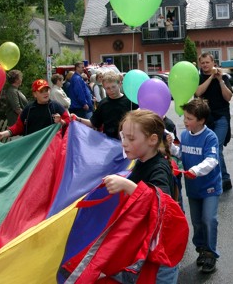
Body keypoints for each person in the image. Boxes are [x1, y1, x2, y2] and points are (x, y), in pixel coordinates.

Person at [103, 109, 181, 284]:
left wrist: (127, 185)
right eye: (123, 137)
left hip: (162, 249)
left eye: (131, 139)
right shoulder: (142, 160)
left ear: (152, 140)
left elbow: (162, 203)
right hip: (147, 245)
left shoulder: (158, 167)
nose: (124, 143)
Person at [177, 98, 222, 274]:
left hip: (209, 187)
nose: (185, 121)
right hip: (193, 188)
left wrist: (195, 170)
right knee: (196, 222)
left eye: (189, 118)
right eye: (185, 117)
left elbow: (212, 160)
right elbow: (181, 154)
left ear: (201, 120)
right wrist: (171, 150)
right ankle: (202, 250)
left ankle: (211, 253)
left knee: (209, 219)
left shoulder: (210, 137)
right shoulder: (185, 135)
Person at [195, 52, 233, 191]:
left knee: (216, 146)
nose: (205, 65)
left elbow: (228, 97)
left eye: (207, 62)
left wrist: (220, 80)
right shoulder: (198, 78)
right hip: (205, 118)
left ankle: (225, 178)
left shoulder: (223, 77)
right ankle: (216, 177)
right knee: (208, 148)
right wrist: (211, 77)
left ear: (213, 63)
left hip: (221, 117)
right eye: (203, 63)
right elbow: (198, 92)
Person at [0, 79, 70, 140]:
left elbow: (68, 120)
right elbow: (19, 127)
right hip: (33, 148)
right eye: (41, 91)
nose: (45, 93)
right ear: (35, 94)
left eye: (46, 90)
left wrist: (61, 121)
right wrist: (4, 134)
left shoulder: (56, 106)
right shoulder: (29, 109)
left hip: (51, 148)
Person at [75, 71, 138, 139]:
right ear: (104, 88)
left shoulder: (130, 101)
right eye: (108, 88)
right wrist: (78, 119)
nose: (111, 90)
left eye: (113, 87)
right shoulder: (103, 104)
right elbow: (93, 123)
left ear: (120, 84)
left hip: (128, 140)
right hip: (109, 142)